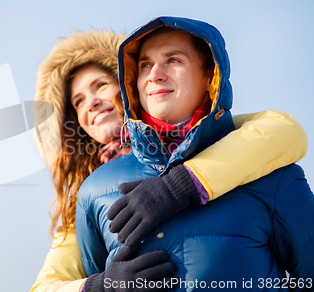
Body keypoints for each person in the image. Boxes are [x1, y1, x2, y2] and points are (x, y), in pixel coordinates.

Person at [31, 30, 309, 292]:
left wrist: (179, 186)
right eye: (78, 102)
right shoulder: (89, 193)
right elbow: (47, 284)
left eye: (101, 85)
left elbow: (280, 131)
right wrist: (101, 287)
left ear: (128, 88)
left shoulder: (232, 142)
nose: (90, 103)